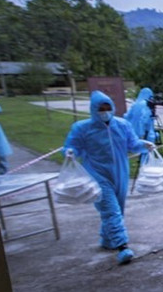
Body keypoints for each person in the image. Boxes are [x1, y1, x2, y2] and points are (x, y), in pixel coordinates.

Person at [64, 91, 154, 264]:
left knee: (117, 210)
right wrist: (70, 152)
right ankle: (122, 247)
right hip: (96, 174)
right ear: (93, 109)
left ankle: (107, 240)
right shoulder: (82, 128)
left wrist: (144, 145)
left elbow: (132, 145)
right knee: (111, 210)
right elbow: (73, 146)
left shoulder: (122, 125)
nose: (104, 111)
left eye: (107, 107)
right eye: (100, 108)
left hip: (120, 173)